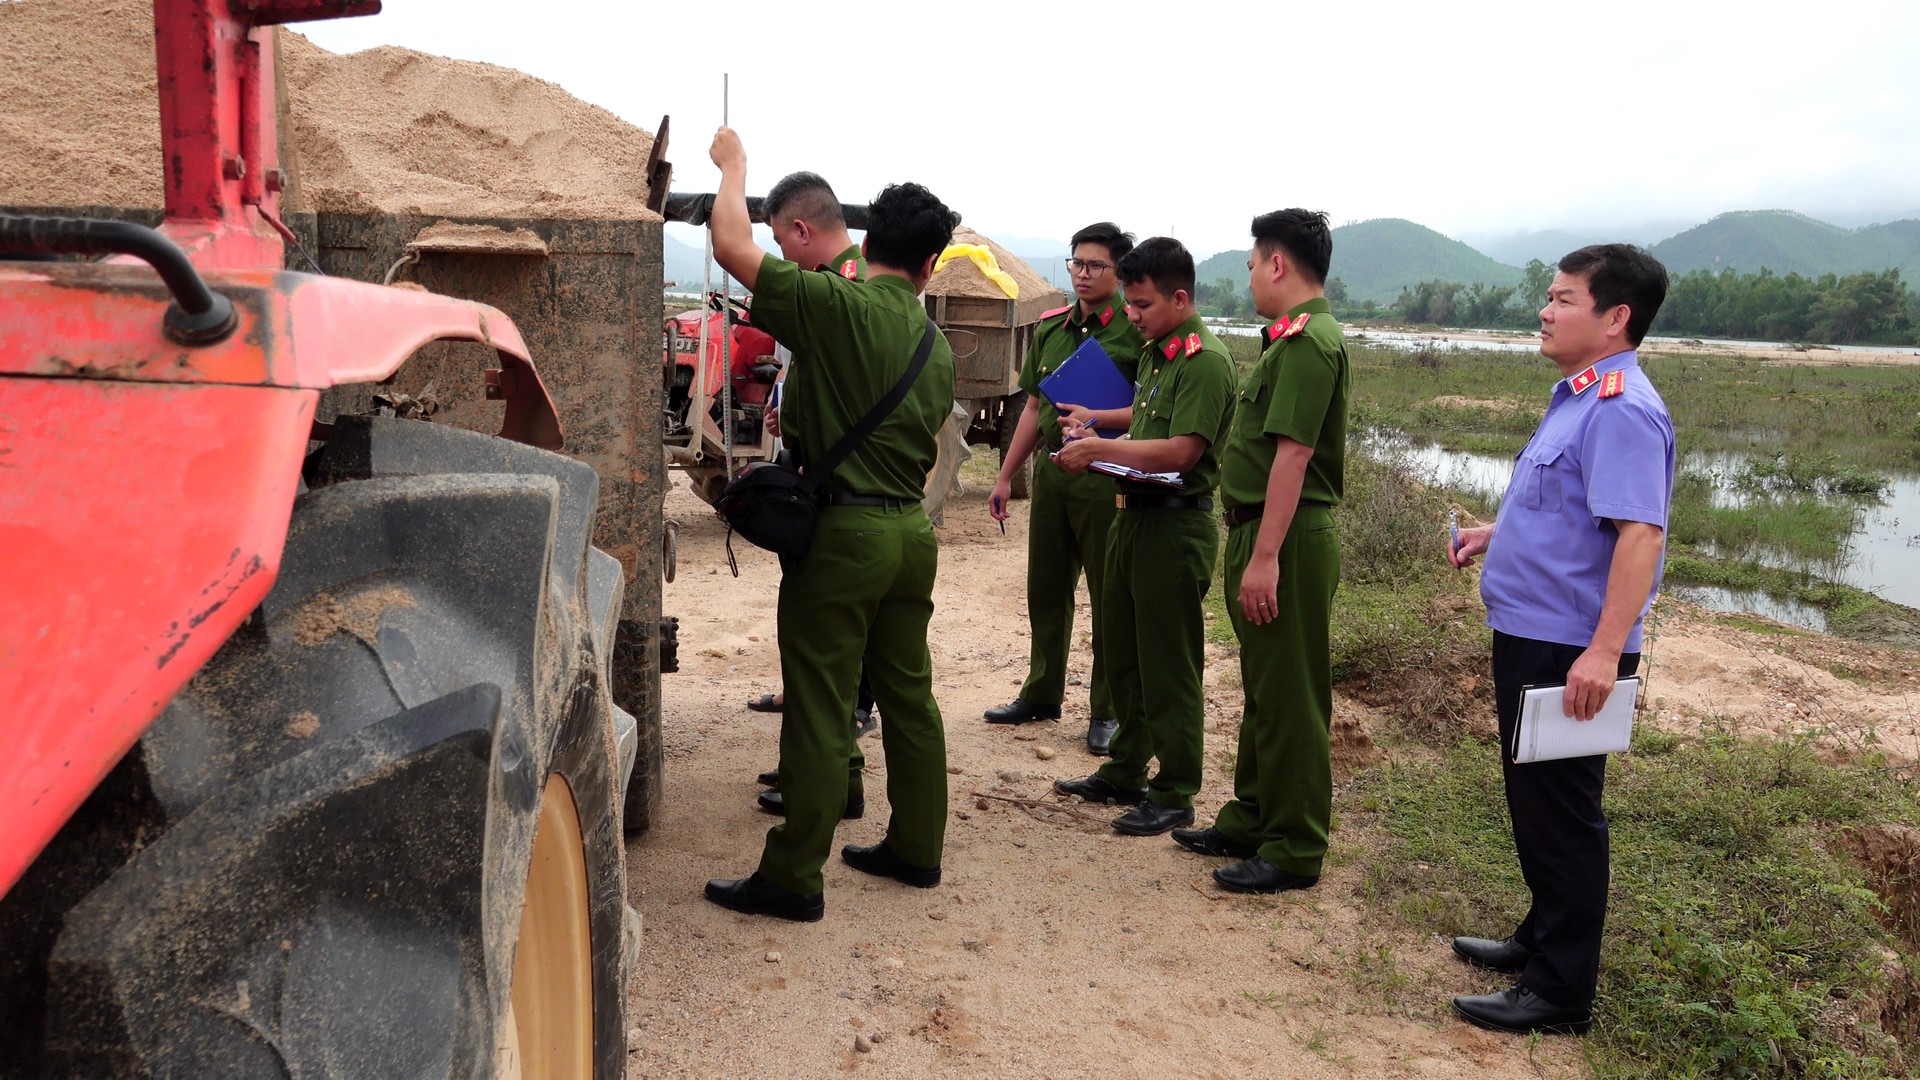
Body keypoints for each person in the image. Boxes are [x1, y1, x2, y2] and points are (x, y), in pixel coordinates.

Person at [702, 126, 959, 921]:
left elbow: (730, 244)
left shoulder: (839, 308)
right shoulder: (936, 344)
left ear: (870, 242)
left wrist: (734, 165)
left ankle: (793, 877)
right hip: (909, 538)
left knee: (820, 701)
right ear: (928, 266)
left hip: (844, 539)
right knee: (910, 697)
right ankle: (916, 847)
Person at [1445, 244, 1673, 1035]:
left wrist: (1605, 652)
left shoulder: (1622, 409)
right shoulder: (1577, 399)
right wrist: (1495, 534)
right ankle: (1541, 938)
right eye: (1549, 296)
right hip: (1531, 633)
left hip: (1570, 648)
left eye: (1563, 299)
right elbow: (1572, 510)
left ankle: (1561, 991)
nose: (1545, 310)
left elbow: (1640, 535)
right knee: (1534, 803)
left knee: (1565, 815)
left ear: (1616, 319)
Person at [1172, 209, 1348, 894]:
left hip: (1287, 534)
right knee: (1265, 687)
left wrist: (1266, 555)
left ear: (1277, 264)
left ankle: (1295, 845)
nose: (1248, 276)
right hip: (1262, 528)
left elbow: (1295, 456)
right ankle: (1251, 815)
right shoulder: (1288, 342)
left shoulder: (1308, 344)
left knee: (1293, 695)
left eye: (1250, 263)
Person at [1049, 237, 1236, 836]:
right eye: (1128, 304)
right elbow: (1147, 416)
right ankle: (1126, 768)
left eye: (1142, 304)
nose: (1131, 315)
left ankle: (1176, 788)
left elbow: (1182, 448)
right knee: (1123, 651)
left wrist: (1098, 446)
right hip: (1131, 516)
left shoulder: (1205, 360)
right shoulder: (1159, 351)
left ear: (1180, 298)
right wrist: (1096, 418)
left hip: (1173, 524)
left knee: (1169, 663)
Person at [740, 170, 879, 818]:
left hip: (839, 499)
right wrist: (790, 416)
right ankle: (820, 770)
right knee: (820, 659)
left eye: (780, 239)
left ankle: (827, 785)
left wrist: (730, 166)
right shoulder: (836, 291)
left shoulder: (843, 294)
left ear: (800, 230)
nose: (782, 253)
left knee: (826, 659)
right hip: (824, 480)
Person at [983, 222, 1145, 755]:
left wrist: (1100, 417)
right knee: (1047, 588)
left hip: (1105, 476)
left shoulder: (1135, 331)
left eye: (1095, 265)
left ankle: (1107, 710)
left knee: (1107, 594)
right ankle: (1041, 691)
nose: (1082, 273)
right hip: (1055, 473)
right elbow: (1034, 405)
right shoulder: (1053, 329)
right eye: (1076, 263)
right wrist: (1007, 475)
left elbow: (1147, 410)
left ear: (1119, 272)